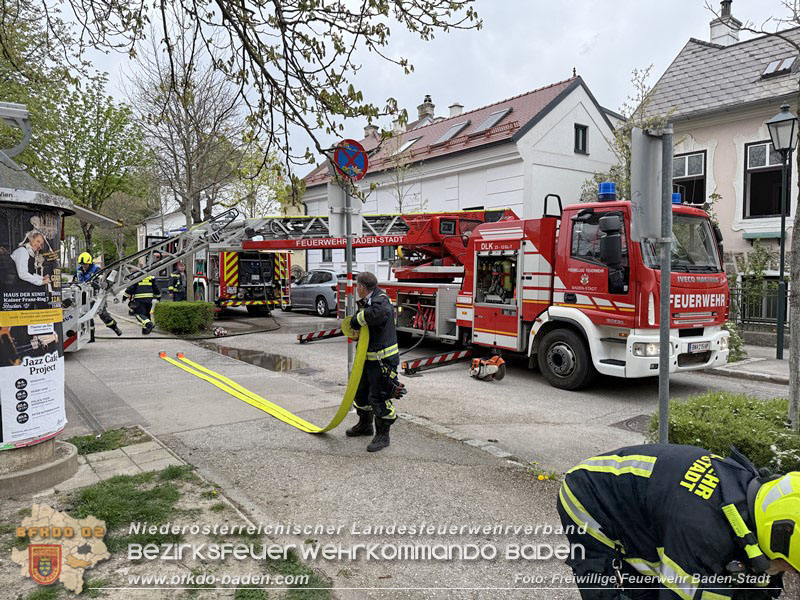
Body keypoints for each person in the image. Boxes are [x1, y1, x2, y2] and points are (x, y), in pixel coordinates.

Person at [557, 443, 799, 599]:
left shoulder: (752, 498)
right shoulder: (704, 534)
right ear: (779, 538)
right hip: (588, 494)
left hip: (647, 501)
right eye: (790, 567)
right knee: (607, 588)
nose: (789, 573)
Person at [344, 271, 400, 452]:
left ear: (361, 287)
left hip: (382, 361)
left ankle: (383, 436)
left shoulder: (381, 301)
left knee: (379, 397)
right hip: (368, 360)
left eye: (357, 286)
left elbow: (376, 314)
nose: (356, 289)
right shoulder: (371, 298)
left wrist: (356, 320)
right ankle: (365, 425)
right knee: (361, 394)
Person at [75, 252, 122, 338]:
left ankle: (114, 327)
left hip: (97, 295)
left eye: (85, 264)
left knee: (103, 314)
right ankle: (91, 336)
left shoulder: (97, 270)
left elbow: (101, 282)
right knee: (86, 314)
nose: (84, 266)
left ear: (90, 263)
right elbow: (76, 281)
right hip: (84, 295)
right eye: (82, 264)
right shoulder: (79, 270)